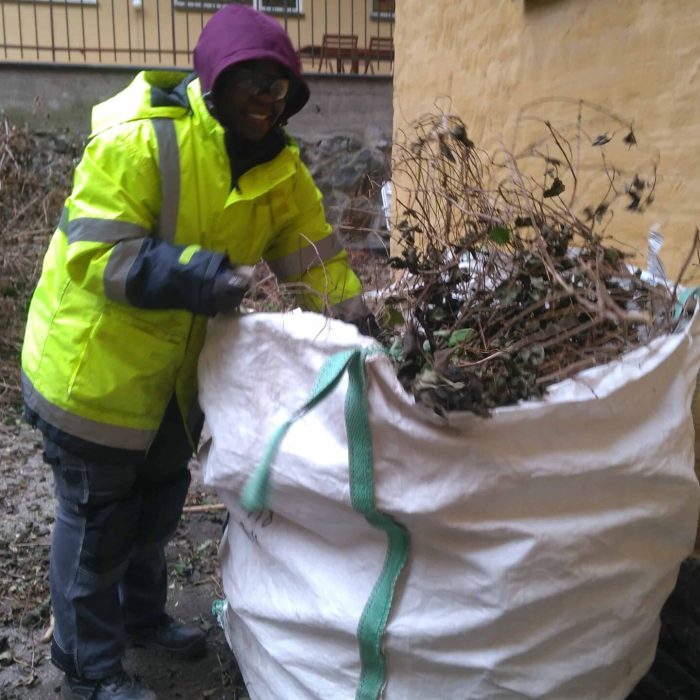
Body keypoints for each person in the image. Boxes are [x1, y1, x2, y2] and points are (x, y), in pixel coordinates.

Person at [21, 5, 369, 700]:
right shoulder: (139, 143)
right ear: (215, 83)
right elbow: (102, 259)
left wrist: (359, 321)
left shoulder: (281, 170)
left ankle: (144, 621)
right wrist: (205, 277)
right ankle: (88, 669)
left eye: (281, 89)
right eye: (253, 85)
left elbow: (314, 258)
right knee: (96, 526)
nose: (267, 102)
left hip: (174, 384)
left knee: (152, 514)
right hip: (93, 377)